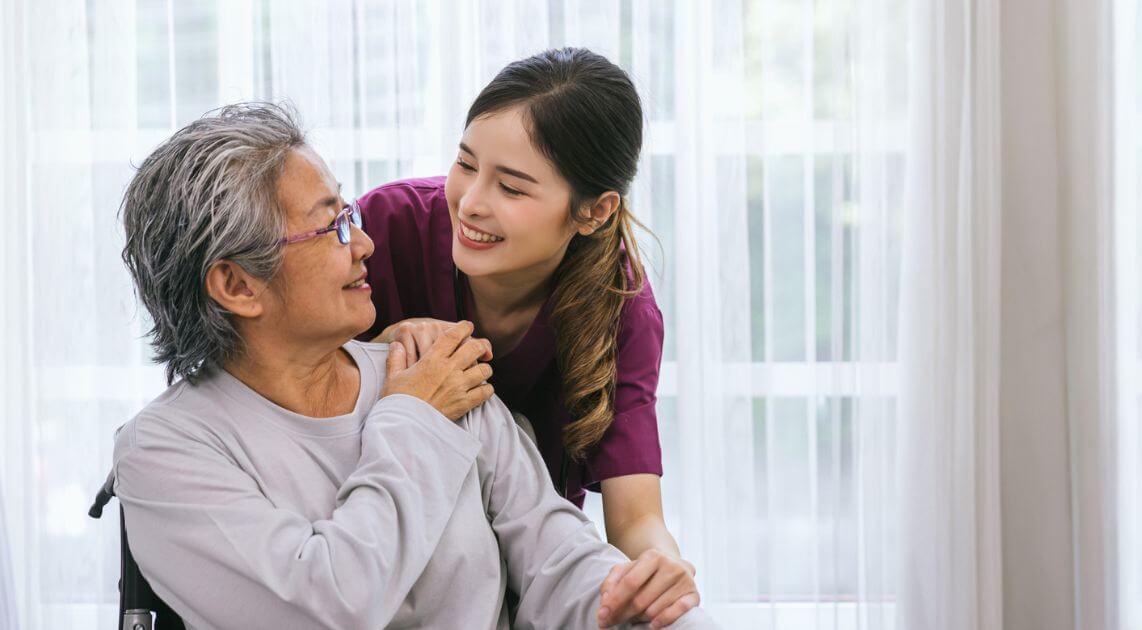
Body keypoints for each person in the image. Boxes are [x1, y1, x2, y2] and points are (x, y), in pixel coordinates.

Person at [111, 102, 715, 629]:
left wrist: (621, 597)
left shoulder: (433, 369)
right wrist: (412, 416)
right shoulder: (166, 452)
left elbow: (554, 557)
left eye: (352, 216)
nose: (365, 243)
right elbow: (328, 609)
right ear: (238, 286)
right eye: (332, 228)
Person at [359, 48, 696, 628]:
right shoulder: (386, 227)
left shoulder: (621, 310)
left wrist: (663, 572)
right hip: (376, 560)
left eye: (511, 189)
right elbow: (287, 382)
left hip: (525, 583)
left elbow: (636, 518)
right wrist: (383, 344)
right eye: (465, 164)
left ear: (594, 211)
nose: (470, 203)